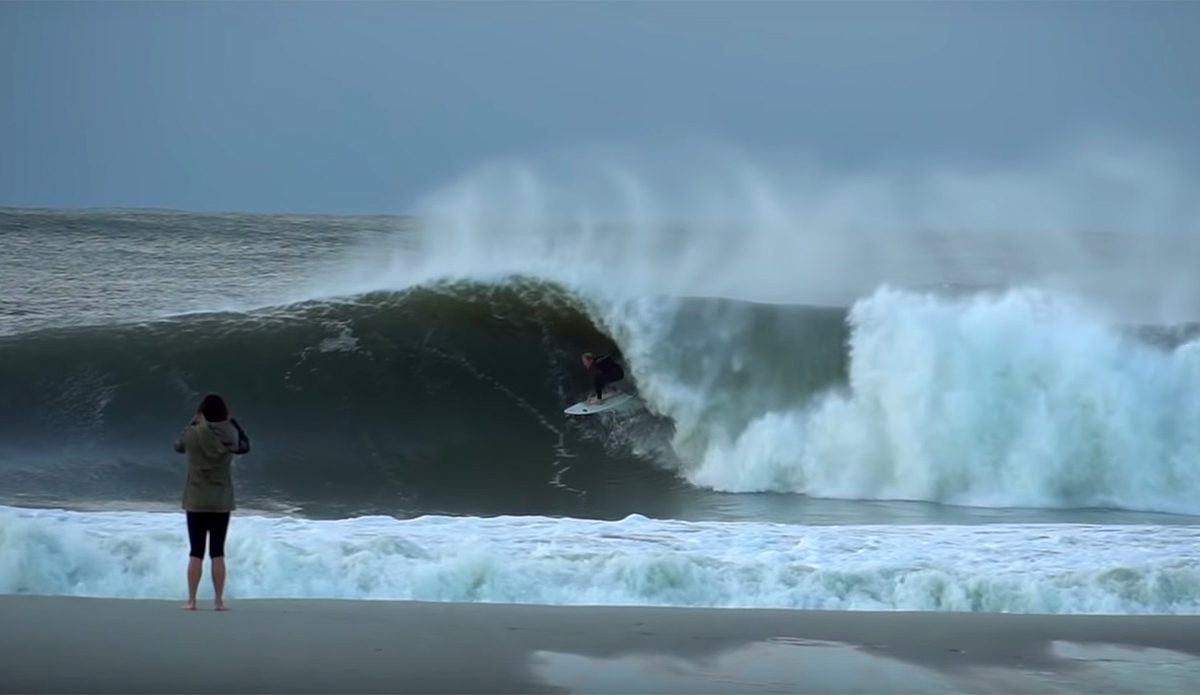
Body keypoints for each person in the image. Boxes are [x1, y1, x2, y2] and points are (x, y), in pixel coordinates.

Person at [174, 393, 250, 611]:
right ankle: (218, 601)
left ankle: (192, 600)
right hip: (220, 499)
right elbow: (246, 445)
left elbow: (178, 446)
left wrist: (195, 421)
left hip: (196, 499)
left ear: (202, 414)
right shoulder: (230, 436)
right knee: (217, 552)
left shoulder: (192, 435)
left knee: (196, 551)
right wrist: (232, 421)